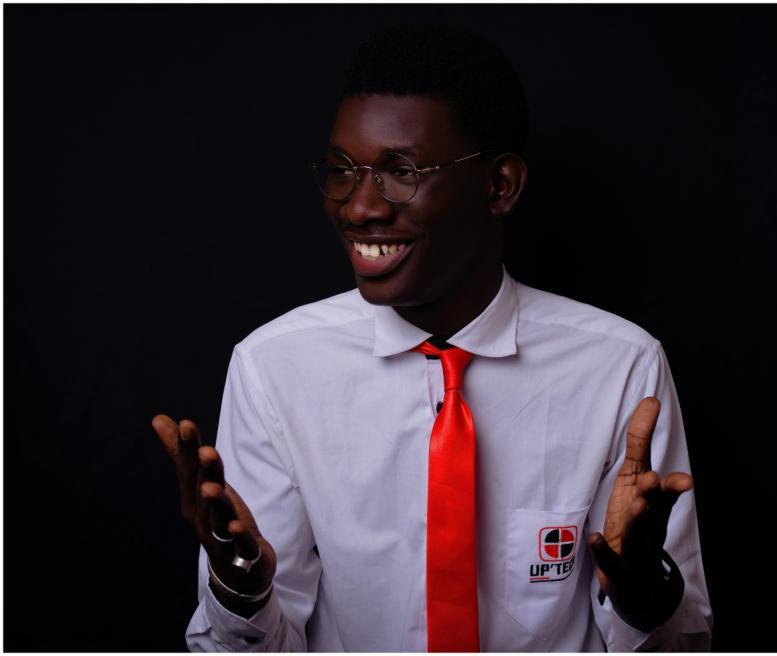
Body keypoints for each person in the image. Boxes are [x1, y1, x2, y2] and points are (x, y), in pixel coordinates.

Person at [153, 25, 712, 652]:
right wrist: (241, 589)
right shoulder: (275, 367)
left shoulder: (621, 368)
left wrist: (643, 593)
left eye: (402, 171)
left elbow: (682, 646)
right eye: (342, 171)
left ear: (499, 185)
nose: (360, 208)